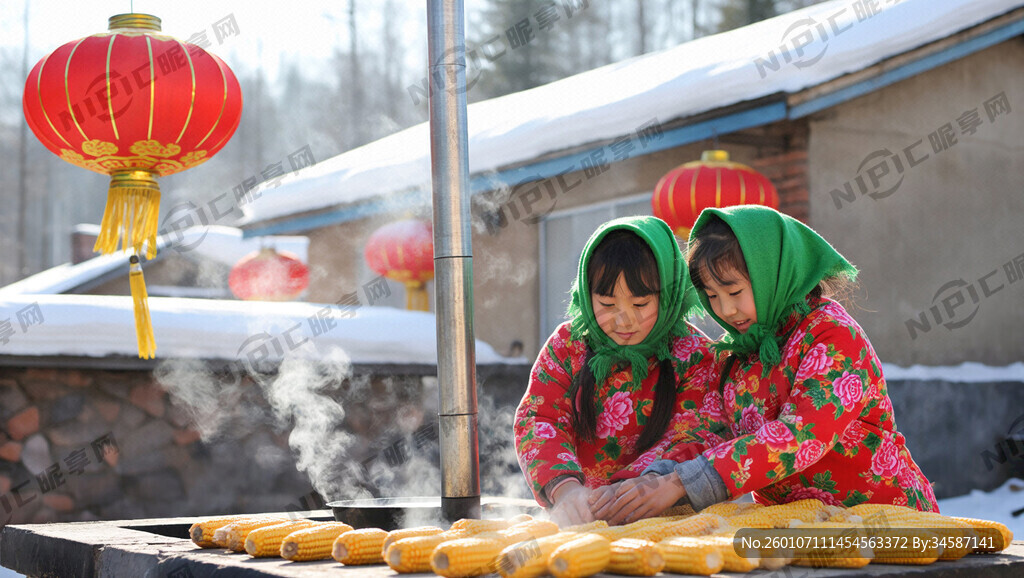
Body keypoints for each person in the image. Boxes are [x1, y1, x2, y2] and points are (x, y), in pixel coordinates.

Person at [593, 206, 938, 524]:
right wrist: (652, 479)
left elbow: (800, 434)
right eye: (712, 296)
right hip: (801, 530)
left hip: (886, 521)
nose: (725, 311)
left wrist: (683, 482)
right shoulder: (737, 356)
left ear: (771, 272)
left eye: (734, 291)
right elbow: (713, 434)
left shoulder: (830, 335)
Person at [514, 216, 719, 526]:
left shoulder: (692, 354)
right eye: (607, 303)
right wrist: (565, 489)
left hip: (666, 519)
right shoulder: (568, 346)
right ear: (586, 292)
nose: (624, 321)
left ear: (668, 295)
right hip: (582, 516)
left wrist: (642, 485)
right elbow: (540, 418)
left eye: (640, 303)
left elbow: (698, 430)